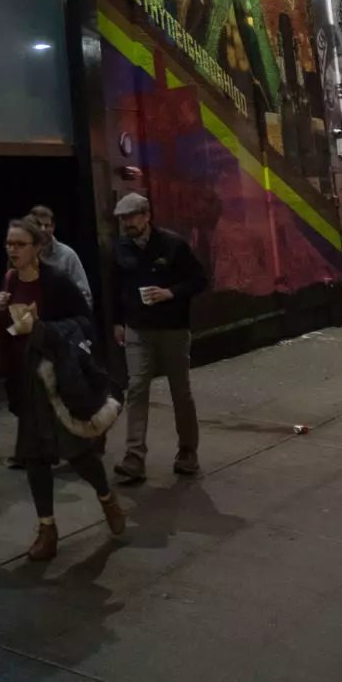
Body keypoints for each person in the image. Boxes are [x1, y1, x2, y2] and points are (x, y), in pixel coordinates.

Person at [0, 219, 124, 558]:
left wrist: (41, 329)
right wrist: (0, 311)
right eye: (9, 244)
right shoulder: (9, 281)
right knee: (34, 458)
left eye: (20, 244)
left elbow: (83, 324)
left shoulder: (57, 282)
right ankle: (47, 529)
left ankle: (106, 497)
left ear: (37, 248)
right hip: (27, 380)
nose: (13, 250)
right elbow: (4, 331)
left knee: (78, 453)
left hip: (58, 379)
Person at [110, 194, 208, 483]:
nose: (127, 223)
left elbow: (199, 279)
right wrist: (117, 322)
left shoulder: (173, 244)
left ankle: (188, 451)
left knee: (181, 390)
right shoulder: (120, 248)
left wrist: (170, 293)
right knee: (137, 388)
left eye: (132, 217)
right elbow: (115, 287)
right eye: (123, 219)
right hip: (137, 328)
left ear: (146, 215)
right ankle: (134, 457)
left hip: (173, 329)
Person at [27, 204, 93, 311]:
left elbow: (84, 294)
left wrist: (78, 322)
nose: (43, 229)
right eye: (38, 225)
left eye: (47, 225)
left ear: (53, 227)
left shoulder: (67, 255)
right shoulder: (25, 254)